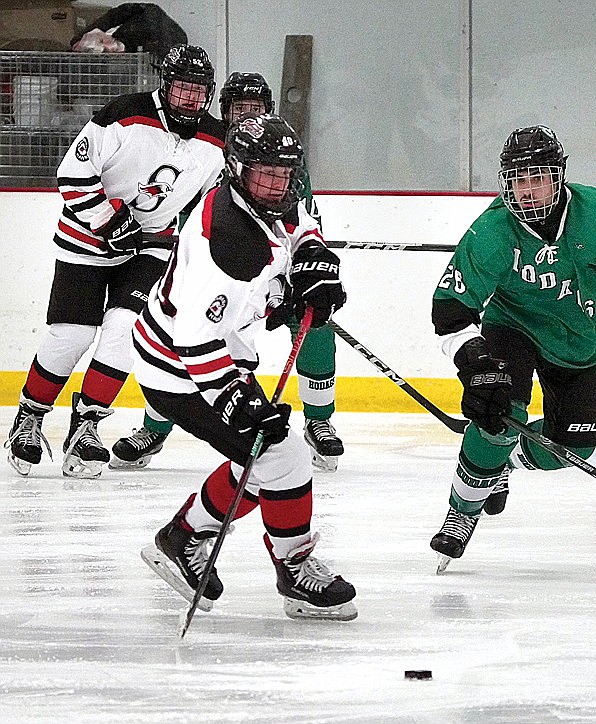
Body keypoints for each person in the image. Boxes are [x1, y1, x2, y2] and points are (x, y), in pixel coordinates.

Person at [429, 125, 596, 571]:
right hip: (511, 328)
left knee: (576, 447)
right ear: (505, 181)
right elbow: (452, 310)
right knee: (500, 416)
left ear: (559, 177)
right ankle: (461, 510)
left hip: (581, 341)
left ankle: (503, 462)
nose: (528, 190)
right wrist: (474, 360)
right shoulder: (493, 231)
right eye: (519, 179)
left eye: (539, 178)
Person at [136, 113, 356, 620]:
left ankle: (182, 535)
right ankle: (294, 569)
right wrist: (235, 396)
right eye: (266, 174)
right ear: (237, 167)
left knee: (257, 457)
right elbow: (195, 337)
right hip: (177, 365)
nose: (277, 184)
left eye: (285, 173)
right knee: (283, 458)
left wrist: (312, 259)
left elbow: (298, 219)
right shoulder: (230, 241)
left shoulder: (264, 195)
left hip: (214, 347)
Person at [4, 44, 226, 478]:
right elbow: (72, 174)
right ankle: (29, 416)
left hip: (151, 246)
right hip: (85, 238)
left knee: (126, 329)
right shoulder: (124, 114)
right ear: (166, 85)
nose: (190, 99)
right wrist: (109, 218)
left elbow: (217, 204)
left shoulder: (215, 142)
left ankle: (86, 426)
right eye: (182, 88)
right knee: (72, 333)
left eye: (198, 91)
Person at [110, 72, 345, 472]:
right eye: (239, 109)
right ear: (224, 111)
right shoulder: (202, 150)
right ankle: (156, 426)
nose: (247, 116)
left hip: (266, 276)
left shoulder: (279, 161)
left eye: (256, 109)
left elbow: (301, 222)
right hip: (207, 269)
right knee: (183, 336)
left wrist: (309, 260)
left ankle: (319, 422)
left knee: (313, 329)